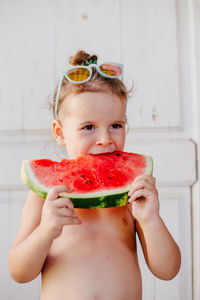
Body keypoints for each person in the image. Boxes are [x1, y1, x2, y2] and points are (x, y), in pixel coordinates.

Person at [8, 50, 181, 300]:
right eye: (88, 127)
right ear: (59, 132)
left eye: (116, 125)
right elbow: (19, 272)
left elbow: (168, 270)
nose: (104, 139)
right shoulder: (46, 196)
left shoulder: (131, 195)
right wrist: (46, 230)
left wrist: (151, 220)